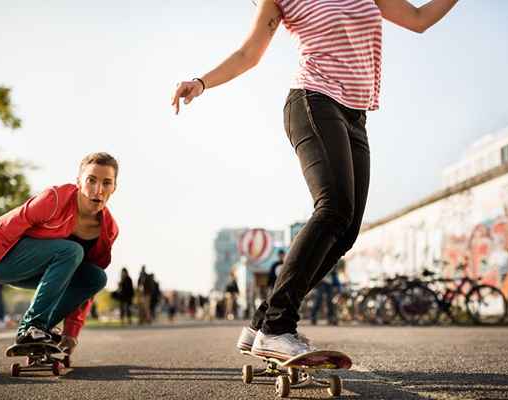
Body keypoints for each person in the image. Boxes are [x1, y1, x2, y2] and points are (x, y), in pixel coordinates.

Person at [172, 0, 459, 360]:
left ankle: (262, 323)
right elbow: (249, 53)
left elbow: (420, 19)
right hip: (313, 101)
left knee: (347, 230)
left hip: (355, 116)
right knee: (334, 207)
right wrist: (201, 83)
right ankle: (278, 328)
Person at [0, 152, 119, 355]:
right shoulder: (54, 200)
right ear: (79, 182)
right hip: (7, 263)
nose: (98, 190)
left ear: (114, 188)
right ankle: (32, 326)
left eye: (106, 183)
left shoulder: (108, 229)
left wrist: (72, 330)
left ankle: (42, 330)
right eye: (91, 180)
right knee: (72, 251)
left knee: (95, 277)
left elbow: (86, 289)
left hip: (49, 272)